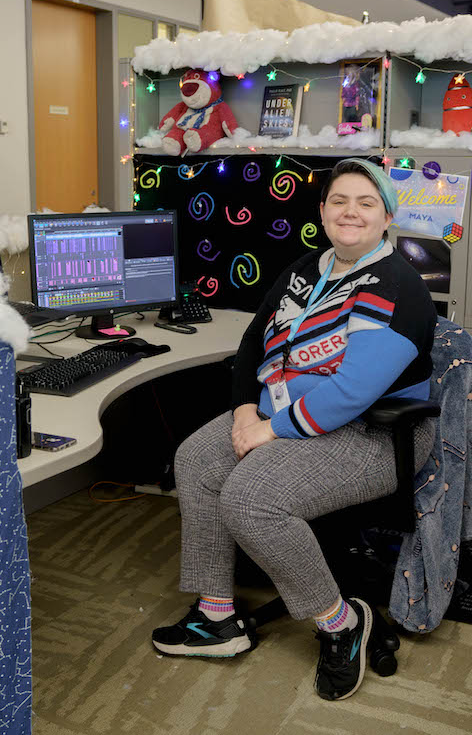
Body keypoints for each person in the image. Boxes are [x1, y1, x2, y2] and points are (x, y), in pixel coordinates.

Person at [151, 158, 437, 701]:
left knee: (251, 499)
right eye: (339, 201)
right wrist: (242, 412)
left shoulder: (397, 286)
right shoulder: (309, 267)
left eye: (366, 203)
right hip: (284, 414)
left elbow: (352, 392)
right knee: (195, 460)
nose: (350, 212)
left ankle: (341, 624)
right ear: (323, 212)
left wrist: (271, 430)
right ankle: (217, 617)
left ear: (386, 217)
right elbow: (252, 344)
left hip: (374, 432)